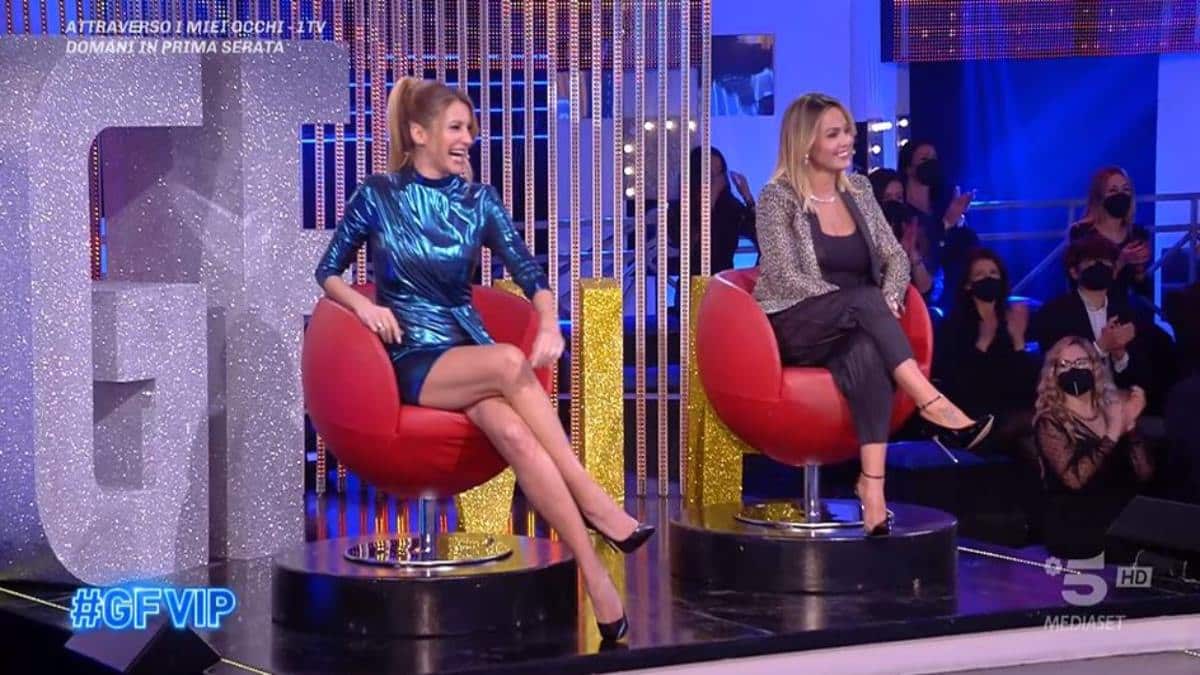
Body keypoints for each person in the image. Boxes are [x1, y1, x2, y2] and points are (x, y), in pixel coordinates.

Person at [314, 78, 650, 642]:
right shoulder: (378, 194)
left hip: (464, 348)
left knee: (516, 433)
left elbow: (530, 272)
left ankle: (594, 575)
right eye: (455, 128)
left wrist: (549, 321)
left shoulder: (478, 201)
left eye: (470, 129)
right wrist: (363, 307)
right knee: (509, 364)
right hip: (410, 358)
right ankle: (594, 499)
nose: (468, 138)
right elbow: (327, 271)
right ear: (418, 133)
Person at [754, 93, 994, 536]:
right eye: (834, 134)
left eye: (847, 131)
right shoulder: (777, 198)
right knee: (863, 304)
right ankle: (931, 403)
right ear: (805, 143)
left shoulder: (860, 191)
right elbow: (786, 278)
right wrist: (861, 305)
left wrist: (887, 298)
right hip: (795, 321)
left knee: (867, 350)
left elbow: (895, 256)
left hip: (854, 324)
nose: (847, 141)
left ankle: (873, 489)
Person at [1034, 336, 1154, 558]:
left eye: (1081, 362)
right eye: (1065, 365)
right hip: (1077, 529)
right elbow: (1074, 479)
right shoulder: (1050, 421)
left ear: (1094, 366)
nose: (1074, 369)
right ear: (1054, 373)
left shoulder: (1112, 410)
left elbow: (1144, 473)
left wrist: (1130, 426)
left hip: (1121, 525)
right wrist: (1113, 433)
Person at [934, 248, 1039, 454]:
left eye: (993, 273)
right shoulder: (953, 325)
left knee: (1033, 436)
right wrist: (982, 344)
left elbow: (1027, 384)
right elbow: (958, 385)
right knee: (1032, 428)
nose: (988, 279)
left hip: (1012, 409)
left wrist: (1018, 341)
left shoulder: (1012, 321)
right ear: (968, 284)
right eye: (980, 274)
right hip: (975, 417)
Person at [1031, 235, 1150, 395]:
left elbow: (1139, 375)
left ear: (1114, 271)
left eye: (1105, 261)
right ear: (1074, 272)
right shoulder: (1053, 314)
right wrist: (1100, 347)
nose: (1099, 266)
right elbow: (1054, 369)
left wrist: (1120, 355)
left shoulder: (1126, 313)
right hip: (1073, 400)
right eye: (1091, 261)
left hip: (1118, 400)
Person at [899, 140, 980, 310]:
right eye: (924, 159)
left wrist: (957, 222)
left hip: (951, 301)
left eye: (934, 159)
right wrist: (947, 224)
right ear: (909, 168)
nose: (931, 163)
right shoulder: (902, 214)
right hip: (917, 303)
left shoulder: (943, 209)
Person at [1068, 166, 1153, 307]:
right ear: (1099, 196)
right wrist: (1121, 260)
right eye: (1113, 190)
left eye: (1126, 189)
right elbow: (1087, 283)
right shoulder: (1081, 232)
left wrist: (1139, 269)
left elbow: (1144, 290)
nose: (1121, 195)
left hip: (1122, 309)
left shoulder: (1136, 233)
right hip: (1089, 310)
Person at [666, 145, 758, 275]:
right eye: (710, 175)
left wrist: (747, 197)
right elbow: (693, 250)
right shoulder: (681, 208)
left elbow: (761, 233)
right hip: (692, 283)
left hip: (723, 281)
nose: (716, 180)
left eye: (719, 173)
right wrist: (711, 198)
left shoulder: (730, 207)